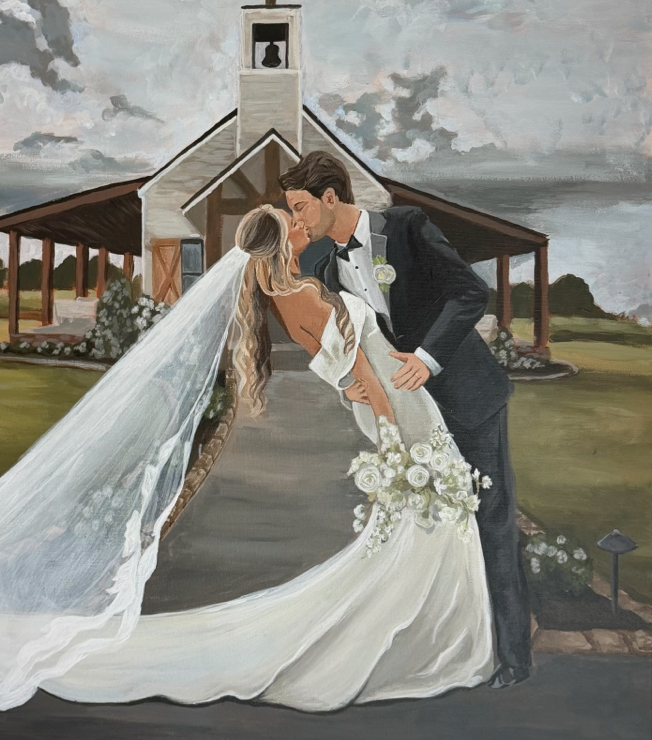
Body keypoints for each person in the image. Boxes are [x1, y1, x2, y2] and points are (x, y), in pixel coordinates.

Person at [34, 203, 494, 711]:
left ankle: (428, 622)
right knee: (429, 509)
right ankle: (427, 633)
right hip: (398, 404)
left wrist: (351, 391)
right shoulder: (301, 294)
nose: (302, 226)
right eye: (291, 223)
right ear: (280, 244)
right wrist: (392, 441)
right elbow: (359, 369)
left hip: (392, 395)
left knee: (426, 516)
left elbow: (336, 370)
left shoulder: (286, 295)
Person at [281, 150, 532, 686]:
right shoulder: (327, 270)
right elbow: (347, 345)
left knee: (491, 519)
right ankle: (455, 646)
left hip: (466, 396)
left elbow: (470, 293)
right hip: (415, 417)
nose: (297, 221)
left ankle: (511, 658)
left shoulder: (408, 226)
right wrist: (353, 387)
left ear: (331, 197)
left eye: (301, 208)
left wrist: (428, 358)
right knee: (435, 528)